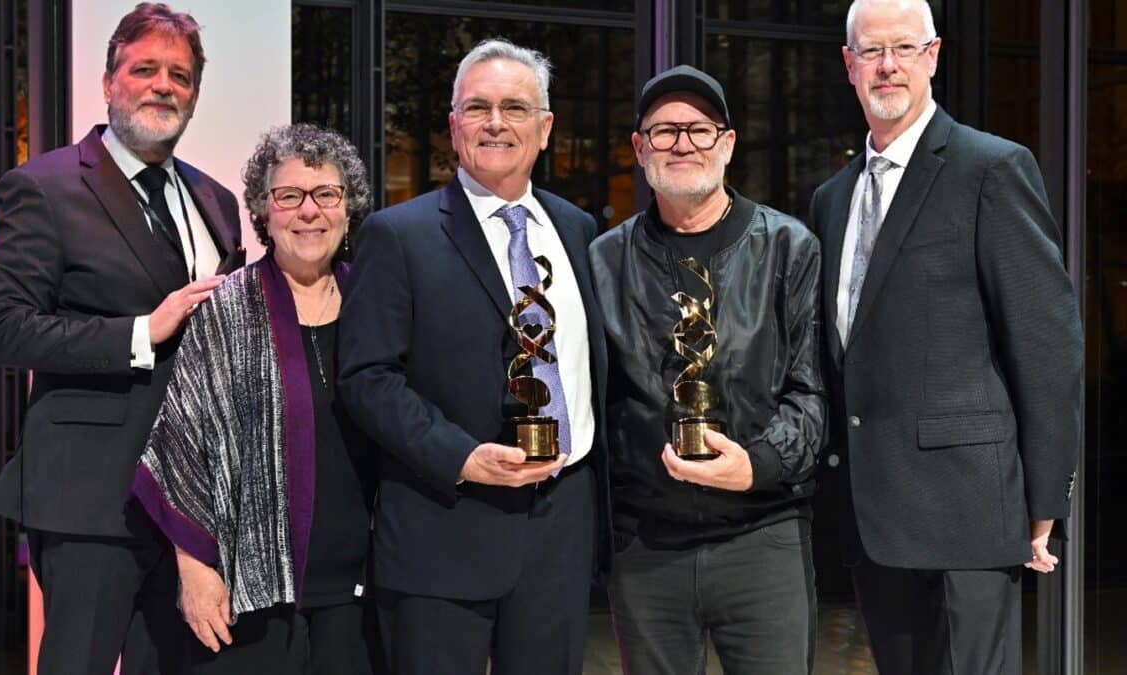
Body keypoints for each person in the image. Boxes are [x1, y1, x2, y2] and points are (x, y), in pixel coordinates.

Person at [808, 1, 1084, 672]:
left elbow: (1047, 344)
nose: (888, 66)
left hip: (969, 513)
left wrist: (1045, 499)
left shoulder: (990, 168)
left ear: (933, 56)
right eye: (871, 52)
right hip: (874, 518)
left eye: (904, 48)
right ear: (849, 66)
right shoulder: (832, 198)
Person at [0, 4, 243, 672]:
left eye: (180, 76)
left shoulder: (215, 200)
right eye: (145, 69)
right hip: (91, 496)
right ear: (108, 82)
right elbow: (9, 330)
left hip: (187, 505)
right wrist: (140, 332)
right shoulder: (44, 187)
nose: (163, 85)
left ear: (194, 94)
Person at [337, 38, 609, 675]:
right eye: (477, 108)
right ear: (454, 127)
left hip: (560, 528)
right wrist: (460, 456)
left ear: (544, 129)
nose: (495, 123)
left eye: (514, 108)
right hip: (444, 526)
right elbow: (367, 378)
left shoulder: (578, 230)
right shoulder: (396, 234)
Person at [588, 65, 825, 675]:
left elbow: (811, 391)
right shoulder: (602, 260)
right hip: (646, 547)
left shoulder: (788, 247)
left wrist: (758, 466)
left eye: (699, 129)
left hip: (763, 535)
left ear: (727, 143)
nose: (683, 144)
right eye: (664, 132)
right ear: (639, 148)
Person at [131, 123, 380, 674]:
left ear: (348, 207)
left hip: (365, 591)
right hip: (251, 593)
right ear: (263, 212)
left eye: (326, 195)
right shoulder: (226, 310)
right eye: (288, 196)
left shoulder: (378, 302)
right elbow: (182, 448)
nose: (308, 211)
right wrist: (195, 573)